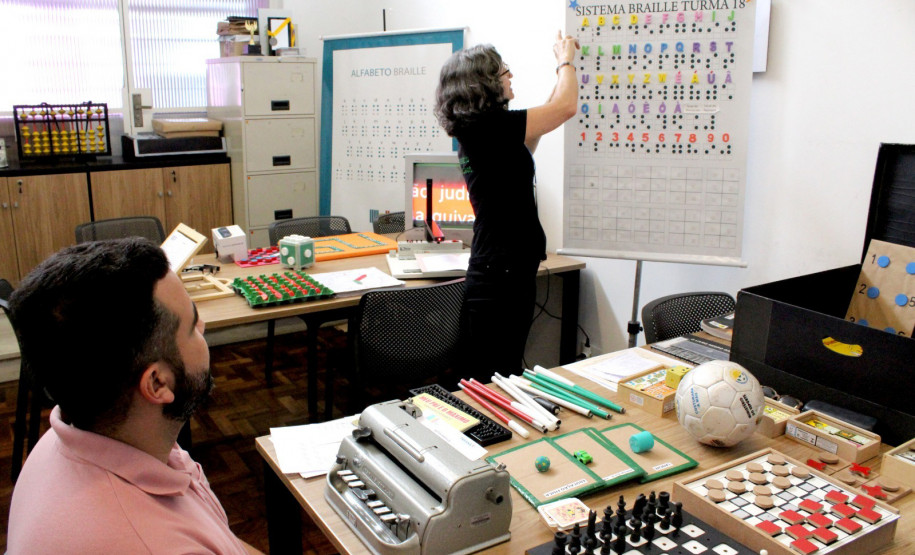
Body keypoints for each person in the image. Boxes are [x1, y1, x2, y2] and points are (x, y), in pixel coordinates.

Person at [6, 238, 261, 554]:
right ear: (157, 384)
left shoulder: (68, 442)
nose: (204, 326)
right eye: (193, 324)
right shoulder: (156, 544)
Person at [434, 32, 579, 374]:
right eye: (504, 72)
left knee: (498, 370)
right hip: (501, 273)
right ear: (484, 85)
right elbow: (566, 108)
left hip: (501, 269)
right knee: (496, 376)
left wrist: (560, 79)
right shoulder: (490, 128)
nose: (510, 76)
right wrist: (565, 60)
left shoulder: (483, 131)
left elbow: (546, 119)